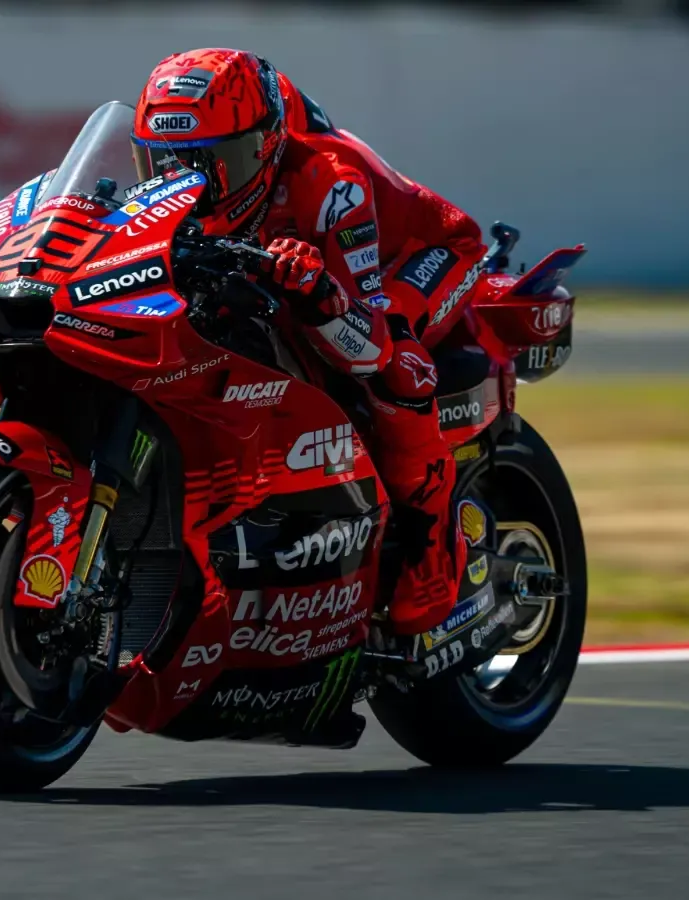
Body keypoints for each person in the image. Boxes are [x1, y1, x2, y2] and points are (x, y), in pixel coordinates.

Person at [132, 48, 492, 644]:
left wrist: (322, 294)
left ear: (266, 143)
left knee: (398, 366)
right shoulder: (186, 194)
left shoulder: (331, 185)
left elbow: (368, 344)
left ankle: (431, 554)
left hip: (422, 257)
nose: (190, 184)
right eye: (167, 162)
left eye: (217, 161)